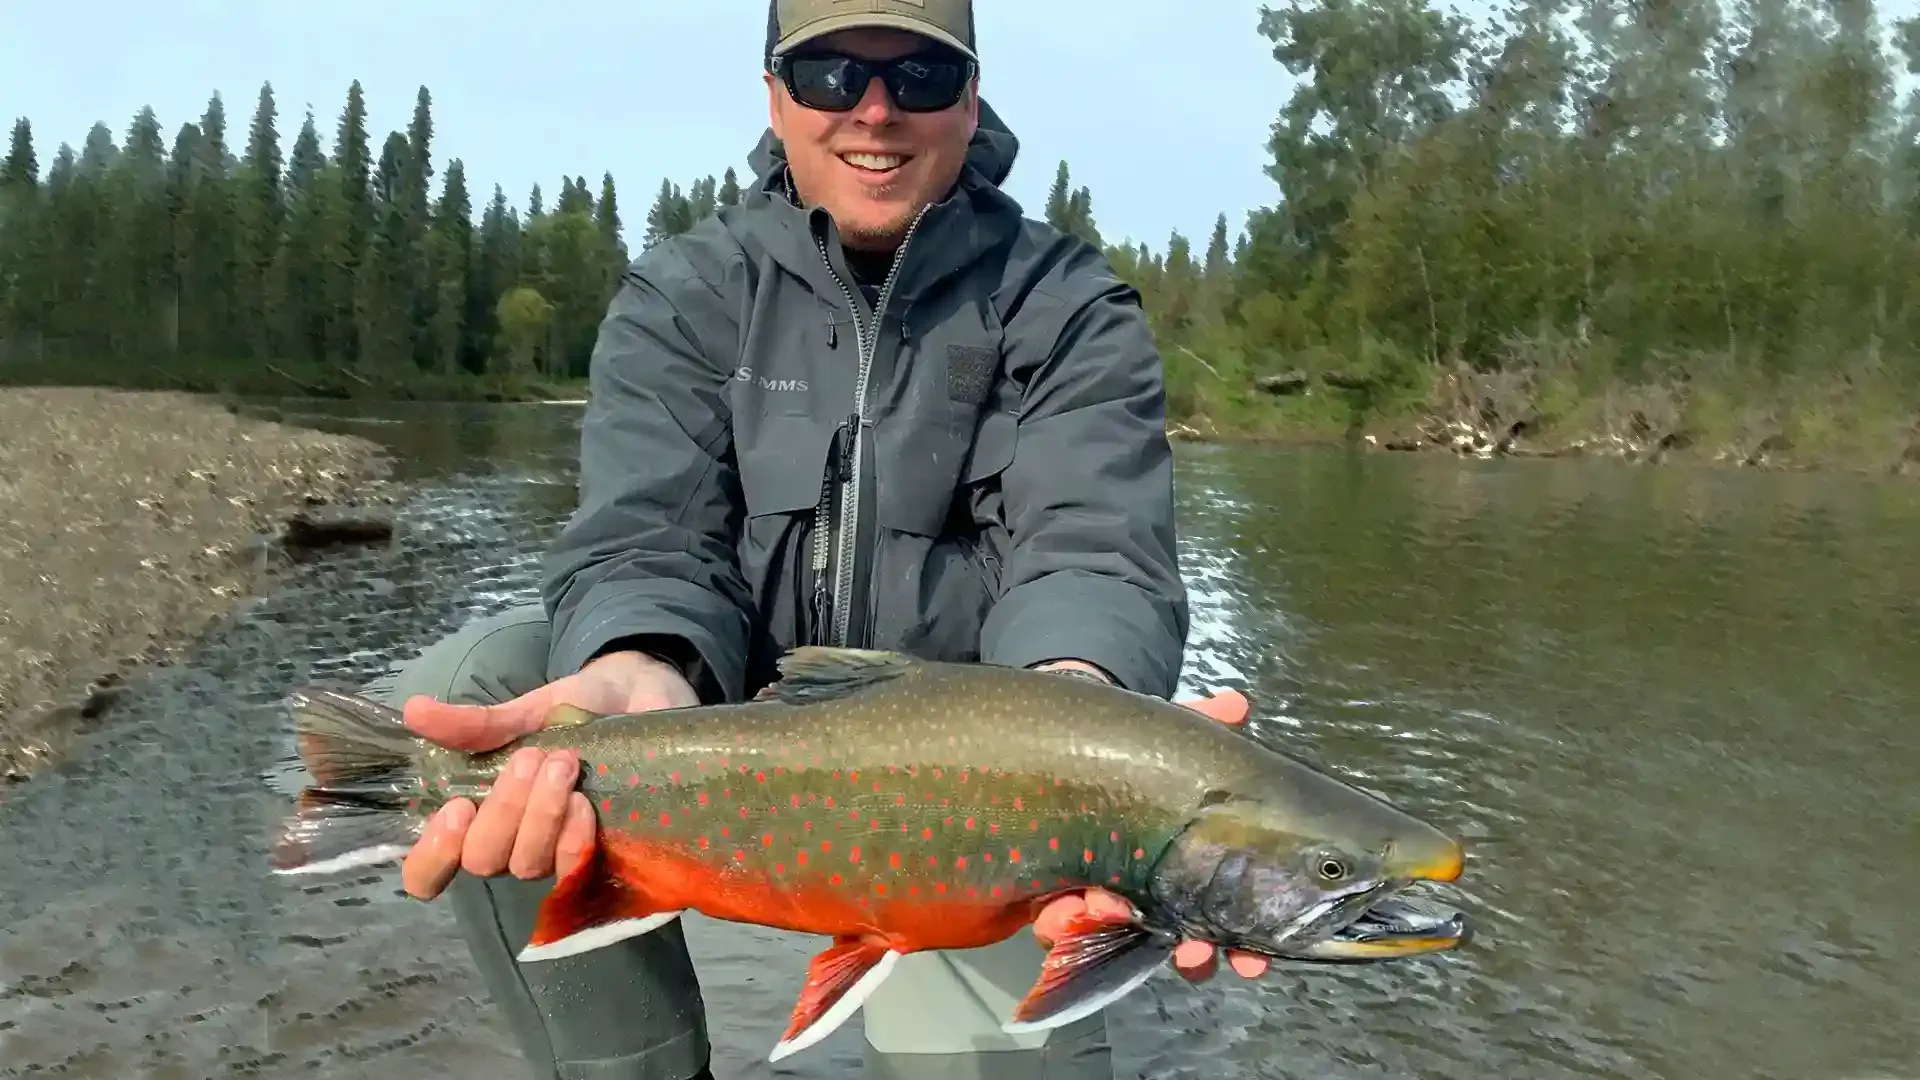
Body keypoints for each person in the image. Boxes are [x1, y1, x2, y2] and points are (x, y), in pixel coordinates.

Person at [363, 2, 1269, 1077]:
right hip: (726, 719)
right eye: (833, 75)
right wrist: (634, 670)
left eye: (920, 77)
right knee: (488, 684)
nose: (875, 111)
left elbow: (1090, 550)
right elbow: (646, 538)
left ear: (971, 99)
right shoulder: (684, 295)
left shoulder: (1068, 307)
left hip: (965, 782)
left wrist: (1085, 737)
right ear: (775, 98)